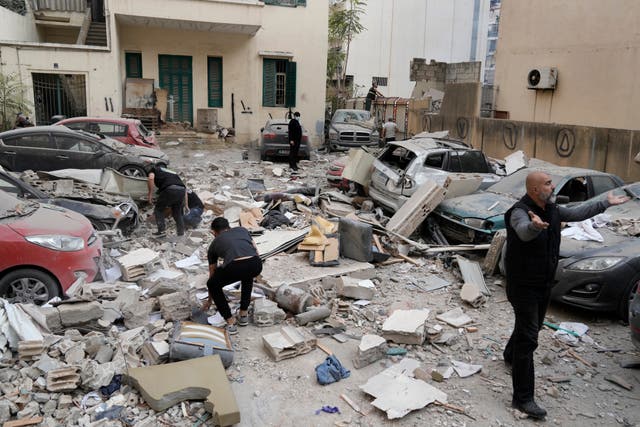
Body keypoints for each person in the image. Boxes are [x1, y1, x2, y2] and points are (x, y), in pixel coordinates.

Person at [503, 171, 629, 419]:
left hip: (543, 284)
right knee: (529, 338)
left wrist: (605, 203)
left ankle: (510, 355)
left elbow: (578, 213)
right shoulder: (519, 211)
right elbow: (522, 230)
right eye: (548, 184)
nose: (552, 187)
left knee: (532, 327)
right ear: (535, 190)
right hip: (523, 286)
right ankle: (523, 398)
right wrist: (534, 227)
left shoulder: (553, 209)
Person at [202, 217, 263, 335]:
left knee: (212, 284)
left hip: (236, 267)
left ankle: (230, 322)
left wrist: (210, 300)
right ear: (228, 227)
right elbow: (255, 249)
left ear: (214, 232)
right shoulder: (242, 230)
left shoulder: (214, 244)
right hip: (256, 264)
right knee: (247, 275)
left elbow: (212, 274)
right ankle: (243, 314)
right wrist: (254, 264)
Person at [147, 165, 186, 237]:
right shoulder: (170, 172)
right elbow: (181, 184)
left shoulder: (153, 169)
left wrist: (150, 195)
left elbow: (151, 178)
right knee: (177, 212)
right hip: (182, 190)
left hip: (170, 189)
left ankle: (161, 231)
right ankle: (181, 232)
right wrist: (186, 204)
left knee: (159, 210)